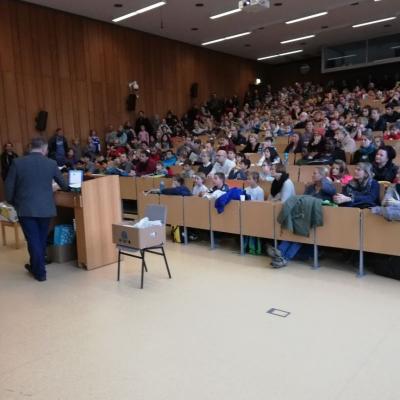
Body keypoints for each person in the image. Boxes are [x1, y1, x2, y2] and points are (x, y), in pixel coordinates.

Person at [5, 137, 68, 282]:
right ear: (44, 149)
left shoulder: (17, 162)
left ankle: (40, 272)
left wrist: (14, 203)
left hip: (25, 209)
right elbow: (64, 185)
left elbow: (8, 189)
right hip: (46, 209)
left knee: (33, 239)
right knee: (40, 238)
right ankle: (36, 266)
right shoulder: (51, 163)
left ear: (30, 147)